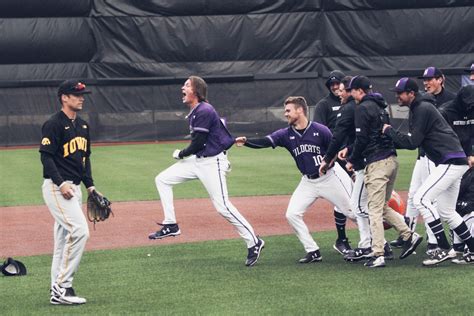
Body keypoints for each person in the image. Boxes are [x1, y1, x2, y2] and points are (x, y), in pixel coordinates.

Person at [149, 76, 264, 267]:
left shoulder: (204, 109)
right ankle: (171, 224)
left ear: (196, 91)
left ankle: (254, 241)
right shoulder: (197, 111)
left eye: (186, 85)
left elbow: (199, 142)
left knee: (223, 207)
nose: (182, 88)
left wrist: (181, 154)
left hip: (212, 162)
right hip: (199, 160)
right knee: (162, 179)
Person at [235, 96, 356, 263]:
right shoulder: (286, 134)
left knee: (352, 212)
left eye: (288, 110)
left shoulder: (320, 130)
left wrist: (330, 162)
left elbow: (334, 149)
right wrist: (247, 142)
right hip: (308, 182)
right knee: (292, 214)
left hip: (329, 178)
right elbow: (266, 141)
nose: (286, 114)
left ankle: (376, 244)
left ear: (300, 110)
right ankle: (313, 250)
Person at [383, 77, 474, 265]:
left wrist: (389, 131)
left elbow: (412, 142)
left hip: (451, 160)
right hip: (454, 159)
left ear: (411, 94)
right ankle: (472, 249)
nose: (397, 96)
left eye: (400, 93)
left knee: (421, 199)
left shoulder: (422, 109)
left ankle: (442, 248)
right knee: (447, 211)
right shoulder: (420, 107)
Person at [346, 76, 422, 268]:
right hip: (391, 160)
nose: (349, 93)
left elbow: (362, 138)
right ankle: (409, 235)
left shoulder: (362, 108)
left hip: (377, 162)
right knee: (381, 207)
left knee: (373, 209)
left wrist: (353, 160)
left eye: (351, 90)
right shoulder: (381, 106)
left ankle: (378, 253)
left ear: (360, 91)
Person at [319, 76, 395, 262]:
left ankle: (378, 244)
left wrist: (330, 157)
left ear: (355, 91)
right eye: (336, 88)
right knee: (370, 206)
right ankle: (375, 243)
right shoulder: (377, 105)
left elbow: (342, 136)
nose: (340, 92)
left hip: (365, 162)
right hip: (374, 158)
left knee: (360, 206)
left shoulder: (355, 108)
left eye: (344, 89)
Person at [40, 80, 98, 305]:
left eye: (83, 94)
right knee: (80, 231)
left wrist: (90, 186)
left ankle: (60, 287)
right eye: (77, 94)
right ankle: (61, 288)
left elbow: (85, 159)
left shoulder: (83, 126)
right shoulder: (53, 124)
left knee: (63, 242)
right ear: (64, 97)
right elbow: (46, 157)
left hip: (75, 188)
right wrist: (61, 183)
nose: (81, 97)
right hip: (57, 188)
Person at [313, 70, 352, 254]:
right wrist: (328, 156)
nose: (335, 87)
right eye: (332, 84)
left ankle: (372, 240)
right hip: (336, 158)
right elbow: (319, 131)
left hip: (354, 155)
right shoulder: (324, 105)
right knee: (342, 198)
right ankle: (342, 239)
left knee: (360, 197)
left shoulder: (351, 103)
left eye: (338, 84)